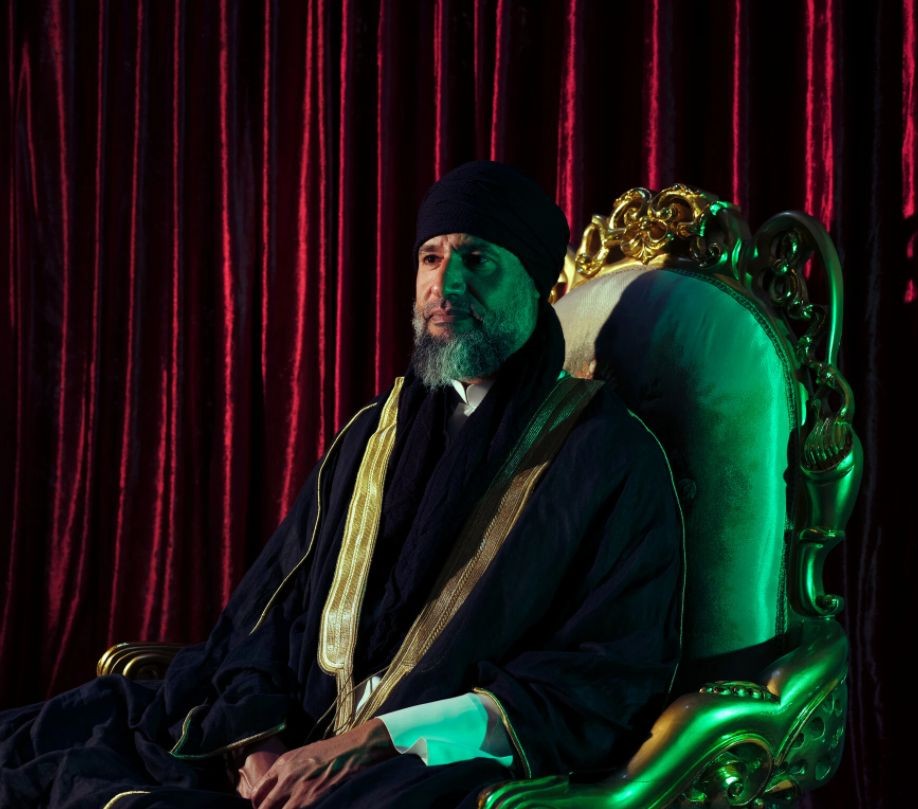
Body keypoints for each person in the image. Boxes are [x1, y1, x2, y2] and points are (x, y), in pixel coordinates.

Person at [0, 160, 683, 809]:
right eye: (431, 258)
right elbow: (268, 612)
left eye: (478, 260)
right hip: (287, 744)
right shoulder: (373, 431)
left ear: (535, 283)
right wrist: (257, 743)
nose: (444, 286)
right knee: (71, 743)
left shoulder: (608, 457)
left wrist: (367, 743)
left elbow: (600, 681)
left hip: (425, 768)